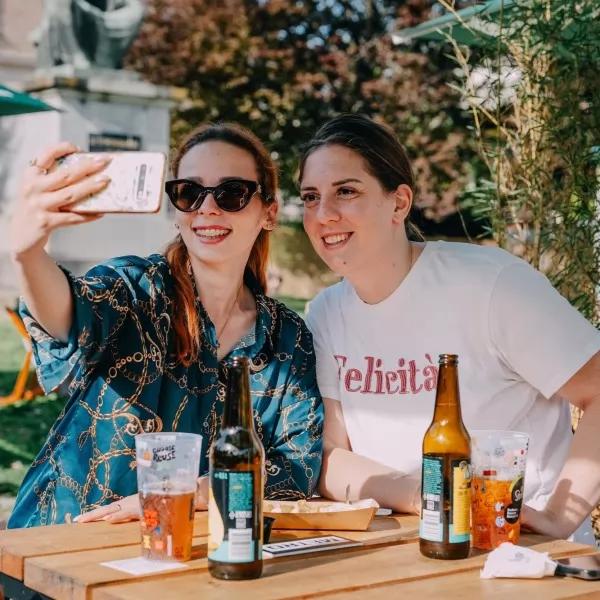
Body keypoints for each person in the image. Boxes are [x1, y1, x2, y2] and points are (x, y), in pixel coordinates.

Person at [300, 113, 600, 546]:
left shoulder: (492, 284)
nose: (324, 214)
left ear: (399, 203)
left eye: (346, 191)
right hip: (406, 545)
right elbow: (329, 456)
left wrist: (559, 516)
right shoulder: (325, 313)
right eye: (310, 197)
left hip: (523, 549)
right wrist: (430, 497)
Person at [7, 122, 323, 528]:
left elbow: (296, 468)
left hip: (190, 551)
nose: (207, 208)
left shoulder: (287, 337)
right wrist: (28, 254)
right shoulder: (135, 289)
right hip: (66, 540)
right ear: (176, 210)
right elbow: (68, 318)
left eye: (232, 193)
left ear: (269, 212)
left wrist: (192, 493)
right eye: (189, 192)